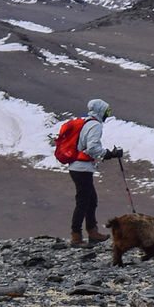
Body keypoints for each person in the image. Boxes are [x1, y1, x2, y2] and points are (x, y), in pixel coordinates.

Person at [67, 98, 124, 247]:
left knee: (91, 201)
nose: (107, 115)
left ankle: (92, 232)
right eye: (106, 112)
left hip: (78, 167)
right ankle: (76, 237)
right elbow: (92, 147)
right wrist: (107, 154)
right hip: (82, 168)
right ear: (100, 111)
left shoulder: (86, 122)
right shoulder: (95, 125)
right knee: (83, 202)